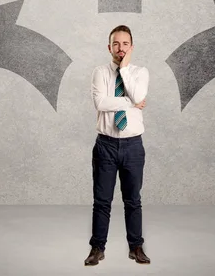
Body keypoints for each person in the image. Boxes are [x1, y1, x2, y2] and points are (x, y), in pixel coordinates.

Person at [84, 25, 151, 266]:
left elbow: (138, 94)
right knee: (102, 200)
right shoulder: (100, 72)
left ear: (131, 47)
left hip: (133, 146)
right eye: (116, 44)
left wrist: (124, 70)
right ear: (109, 47)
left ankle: (136, 247)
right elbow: (100, 103)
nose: (120, 48)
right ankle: (97, 248)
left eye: (125, 44)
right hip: (106, 146)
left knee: (133, 200)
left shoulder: (141, 72)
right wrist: (130, 102)